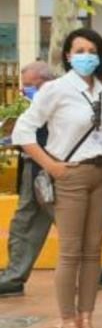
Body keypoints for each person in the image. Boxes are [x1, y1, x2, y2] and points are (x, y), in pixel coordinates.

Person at [12, 28, 102, 328]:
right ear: (67, 55)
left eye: (92, 50)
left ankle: (86, 317)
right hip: (71, 176)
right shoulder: (56, 90)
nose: (86, 55)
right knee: (70, 251)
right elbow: (23, 131)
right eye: (79, 50)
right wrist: (52, 166)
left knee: (93, 251)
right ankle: (66, 321)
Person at [0, 61, 58, 298]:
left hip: (51, 171)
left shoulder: (57, 103)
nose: (24, 91)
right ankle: (13, 275)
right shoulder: (33, 105)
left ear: (47, 82)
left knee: (65, 222)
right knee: (26, 222)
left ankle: (95, 271)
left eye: (30, 85)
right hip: (35, 170)